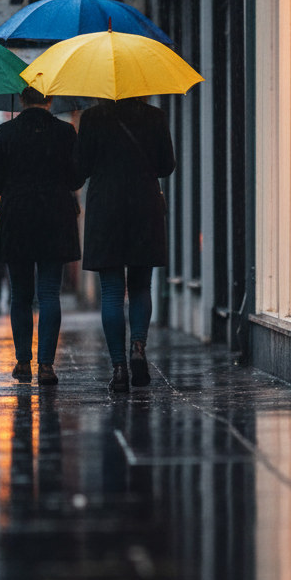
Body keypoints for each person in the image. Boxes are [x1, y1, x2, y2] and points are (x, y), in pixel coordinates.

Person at [73, 96, 175, 392]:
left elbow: (79, 169)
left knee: (113, 292)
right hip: (144, 206)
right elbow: (166, 166)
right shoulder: (155, 116)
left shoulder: (92, 118)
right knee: (141, 285)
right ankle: (138, 347)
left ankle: (118, 367)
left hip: (106, 209)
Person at [0, 87, 82, 386]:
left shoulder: (5, 132)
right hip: (55, 217)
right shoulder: (65, 132)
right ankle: (47, 365)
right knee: (50, 293)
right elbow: (77, 177)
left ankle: (23, 362)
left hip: (17, 219)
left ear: (21, 99)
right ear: (50, 99)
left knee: (21, 295)